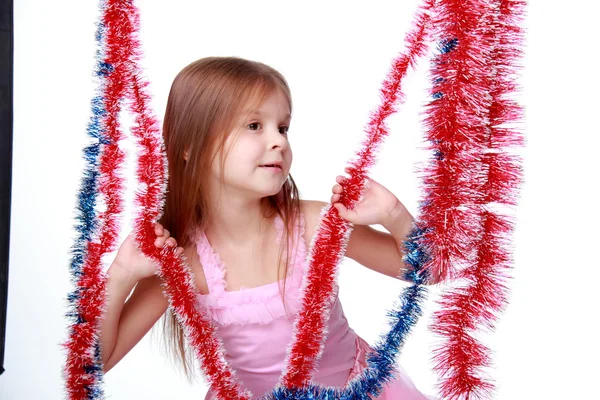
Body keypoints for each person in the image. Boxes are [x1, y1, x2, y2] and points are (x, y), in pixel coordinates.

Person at [99, 56, 433, 399]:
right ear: (189, 146)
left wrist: (394, 214)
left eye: (283, 127)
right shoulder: (181, 260)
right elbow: (97, 361)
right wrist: (121, 273)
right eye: (255, 125)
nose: (280, 141)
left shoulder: (312, 224)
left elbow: (429, 271)